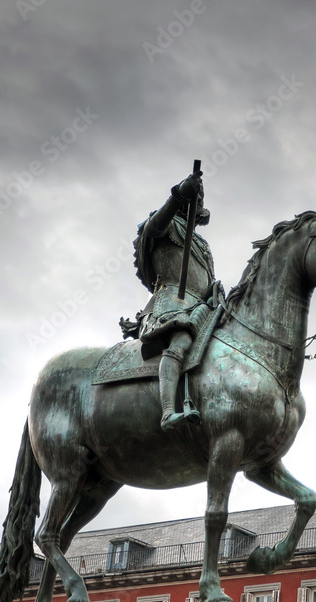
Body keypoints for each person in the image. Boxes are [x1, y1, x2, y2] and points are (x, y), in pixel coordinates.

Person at [130, 168, 219, 431]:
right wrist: (178, 195)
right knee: (181, 340)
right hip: (171, 303)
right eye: (196, 194)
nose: (199, 198)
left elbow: (204, 281)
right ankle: (168, 411)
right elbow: (154, 228)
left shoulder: (202, 244)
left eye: (200, 196)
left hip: (201, 308)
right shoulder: (164, 223)